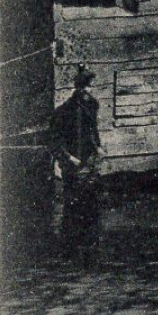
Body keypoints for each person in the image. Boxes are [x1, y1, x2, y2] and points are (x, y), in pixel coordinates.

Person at [49, 67, 103, 241]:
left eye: (90, 87)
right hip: (72, 162)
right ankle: (70, 242)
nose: (89, 91)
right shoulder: (63, 111)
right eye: (86, 87)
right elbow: (55, 142)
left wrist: (98, 148)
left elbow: (92, 130)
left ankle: (90, 241)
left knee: (91, 201)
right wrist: (69, 158)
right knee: (72, 204)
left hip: (89, 161)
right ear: (78, 88)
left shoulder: (91, 106)